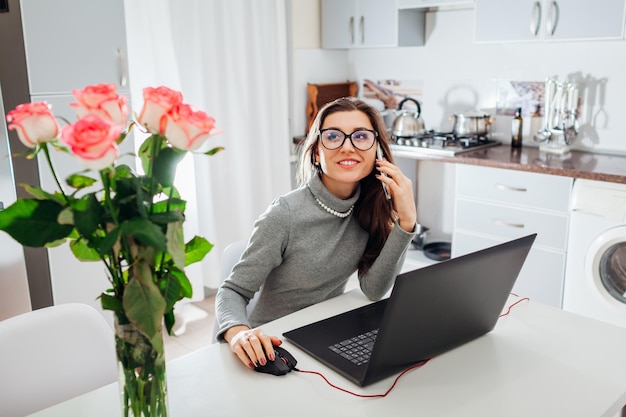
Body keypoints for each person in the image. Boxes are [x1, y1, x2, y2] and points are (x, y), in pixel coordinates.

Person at [215, 97, 417, 369]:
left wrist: (406, 222)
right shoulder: (284, 214)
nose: (347, 146)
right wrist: (239, 333)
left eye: (360, 136)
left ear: (376, 152)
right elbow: (233, 290)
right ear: (315, 152)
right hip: (276, 344)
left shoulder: (371, 206)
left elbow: (374, 289)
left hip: (325, 334)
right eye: (333, 136)